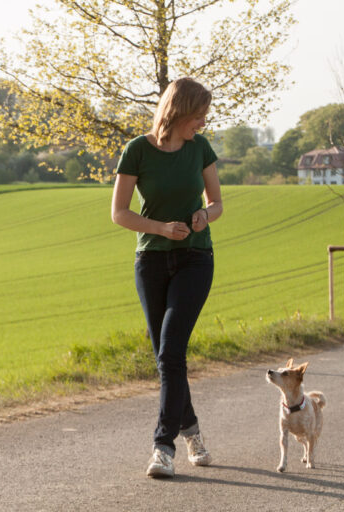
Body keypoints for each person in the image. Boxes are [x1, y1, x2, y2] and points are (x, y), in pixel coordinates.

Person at [110, 77, 223, 478]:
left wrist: (202, 217)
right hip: (152, 260)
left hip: (195, 257)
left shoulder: (200, 148)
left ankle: (163, 447)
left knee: (172, 349)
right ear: (179, 111)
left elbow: (217, 203)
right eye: (199, 115)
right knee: (166, 358)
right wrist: (160, 228)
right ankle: (192, 431)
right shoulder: (137, 150)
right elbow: (120, 213)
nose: (203, 124)